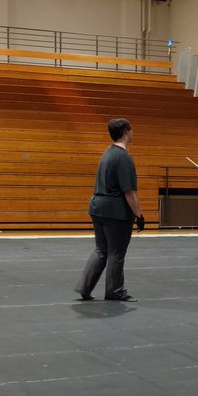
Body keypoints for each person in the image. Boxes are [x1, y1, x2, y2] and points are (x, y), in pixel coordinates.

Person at [76, 118, 144, 302]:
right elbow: (129, 191)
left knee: (100, 250)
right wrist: (139, 215)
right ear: (126, 131)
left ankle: (85, 287)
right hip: (115, 212)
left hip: (97, 207)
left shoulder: (107, 153)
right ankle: (115, 291)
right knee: (116, 252)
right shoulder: (123, 157)